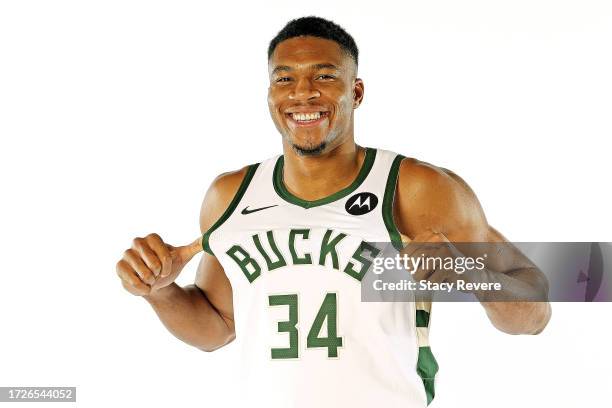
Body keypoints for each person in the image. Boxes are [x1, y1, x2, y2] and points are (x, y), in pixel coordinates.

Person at [116, 16, 551, 407]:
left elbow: (534, 313)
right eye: (284, 79)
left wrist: (470, 272)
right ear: (270, 94)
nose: (303, 93)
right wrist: (160, 290)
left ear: (356, 91)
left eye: (324, 76)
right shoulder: (230, 194)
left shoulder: (414, 188)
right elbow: (218, 326)